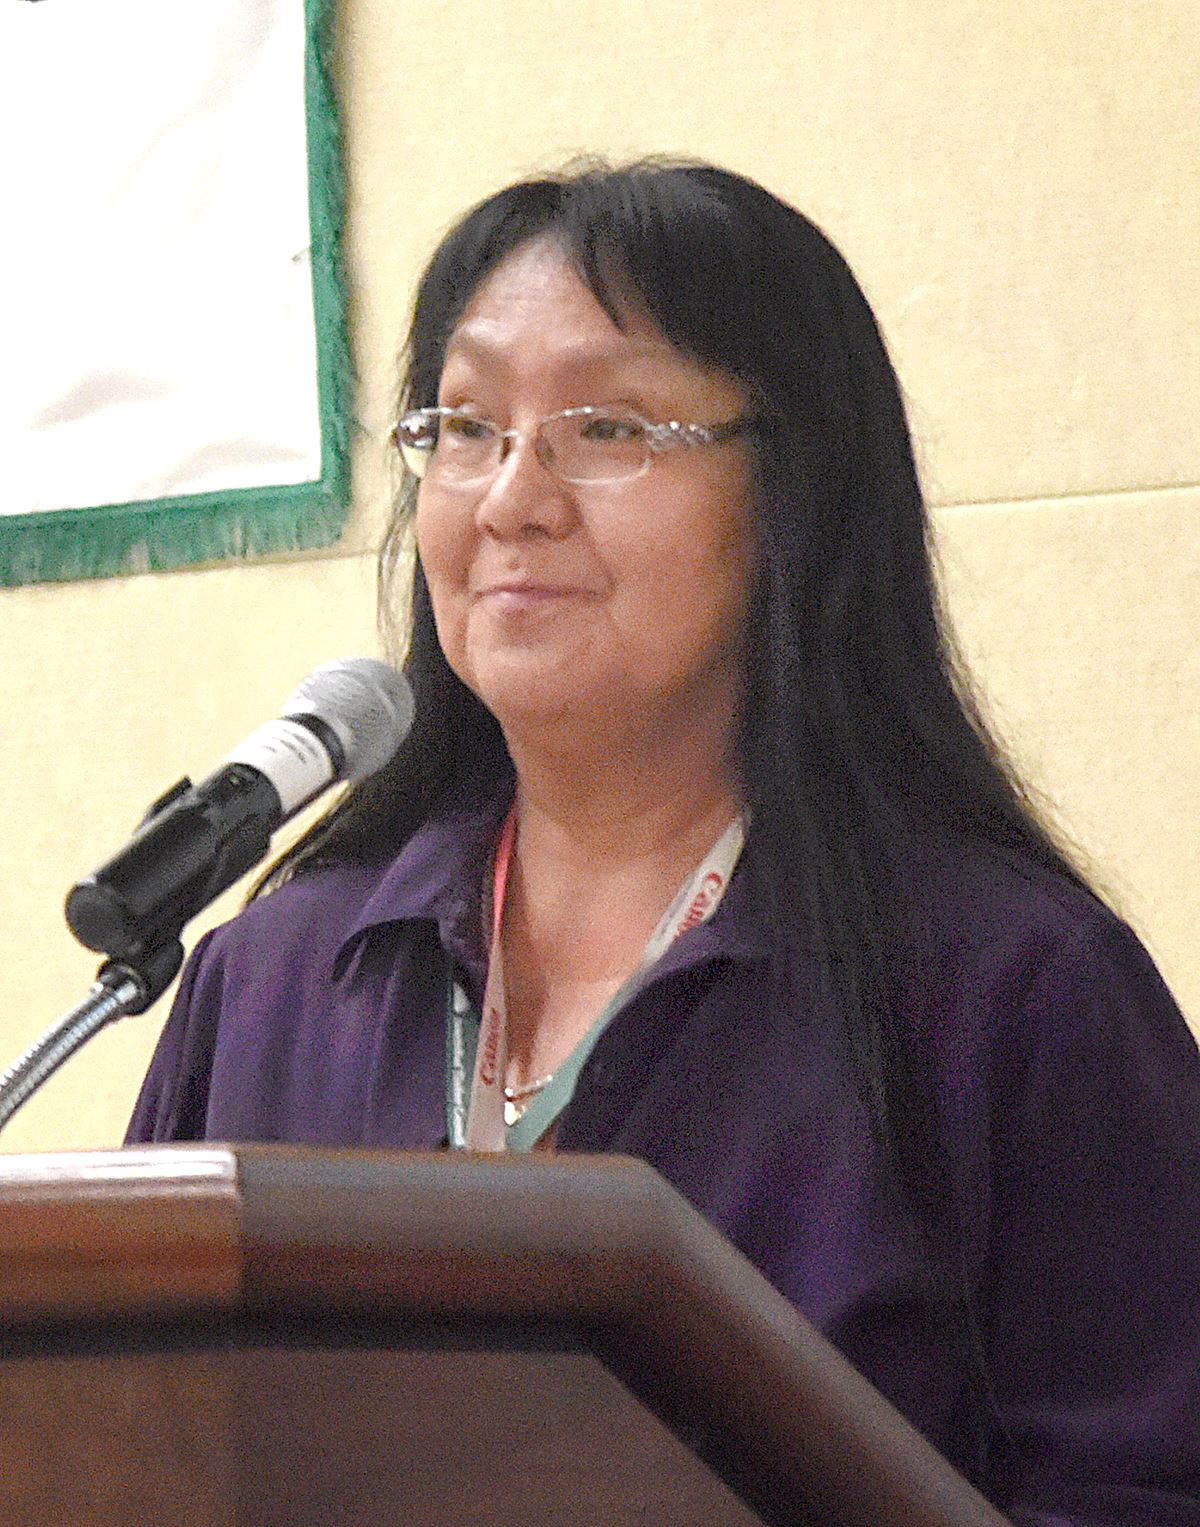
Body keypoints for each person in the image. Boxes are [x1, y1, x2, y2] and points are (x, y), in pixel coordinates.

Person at [127, 160, 1200, 1520]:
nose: (512, 496)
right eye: (465, 426)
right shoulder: (274, 982)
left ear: (795, 496)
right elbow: (115, 1443)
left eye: (607, 427)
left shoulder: (1011, 992)